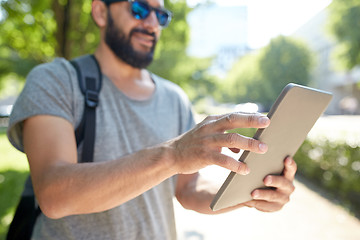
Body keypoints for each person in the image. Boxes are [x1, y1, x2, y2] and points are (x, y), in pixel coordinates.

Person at [7, 0, 297, 239]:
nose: (152, 23)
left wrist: (248, 194)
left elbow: (188, 189)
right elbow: (55, 195)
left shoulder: (175, 98)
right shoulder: (56, 80)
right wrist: (172, 155)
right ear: (100, 11)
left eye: (161, 15)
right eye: (139, 9)